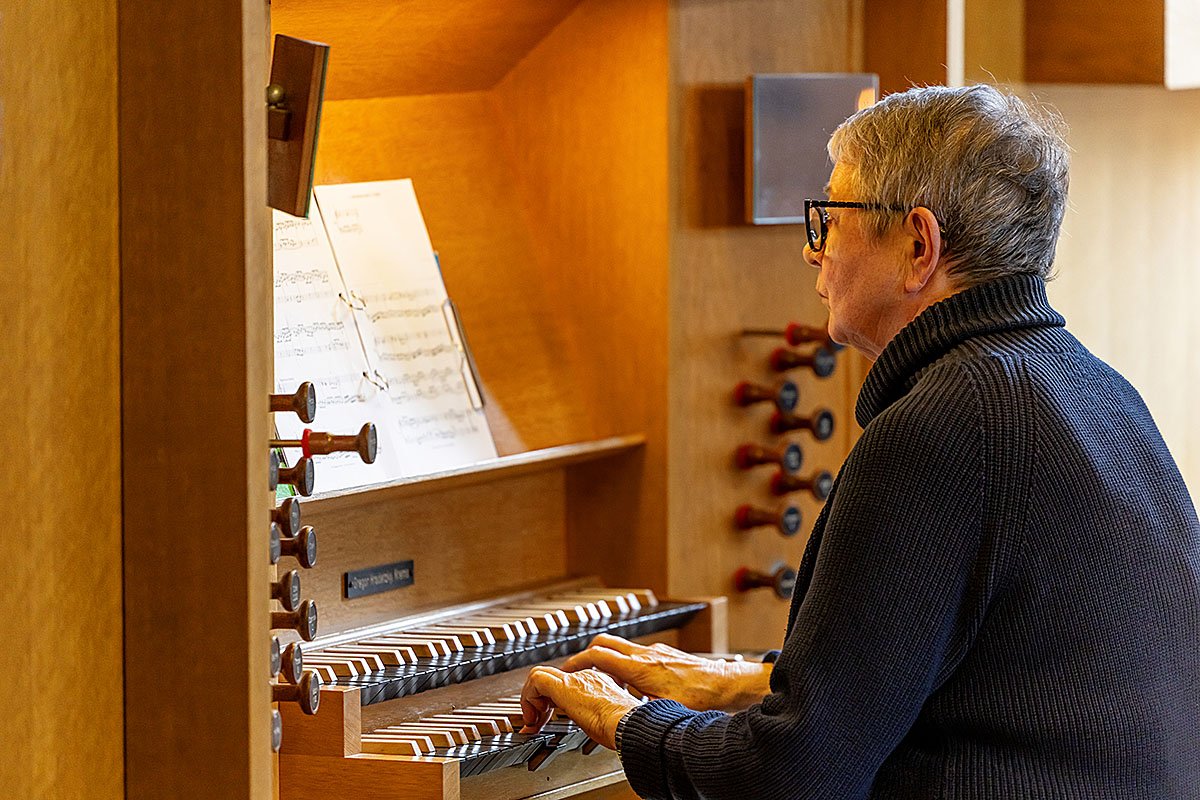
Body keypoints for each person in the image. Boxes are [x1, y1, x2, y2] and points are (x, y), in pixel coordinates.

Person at [519, 84, 1200, 799]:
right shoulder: (1099, 391)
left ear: (917, 247)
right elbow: (990, 678)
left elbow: (789, 778)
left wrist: (624, 720)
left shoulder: (942, 428)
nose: (811, 251)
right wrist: (740, 681)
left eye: (830, 220)